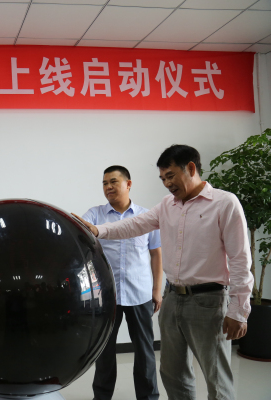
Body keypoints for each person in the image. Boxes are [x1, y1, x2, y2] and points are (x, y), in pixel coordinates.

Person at [75, 145, 254, 400]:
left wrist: (239, 310)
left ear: (191, 168)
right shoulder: (167, 205)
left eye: (170, 176)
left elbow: (240, 259)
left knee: (216, 377)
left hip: (208, 301)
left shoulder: (224, 203)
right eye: (162, 179)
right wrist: (98, 230)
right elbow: (133, 225)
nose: (167, 183)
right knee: (173, 373)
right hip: (172, 299)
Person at [83, 166, 162, 400]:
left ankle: (148, 397)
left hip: (140, 293)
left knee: (145, 350)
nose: (108, 187)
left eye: (113, 181)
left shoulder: (146, 216)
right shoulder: (94, 215)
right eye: (104, 183)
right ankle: (102, 397)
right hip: (107, 296)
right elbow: (80, 232)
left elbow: (156, 254)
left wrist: (157, 289)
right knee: (104, 352)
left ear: (128, 184)